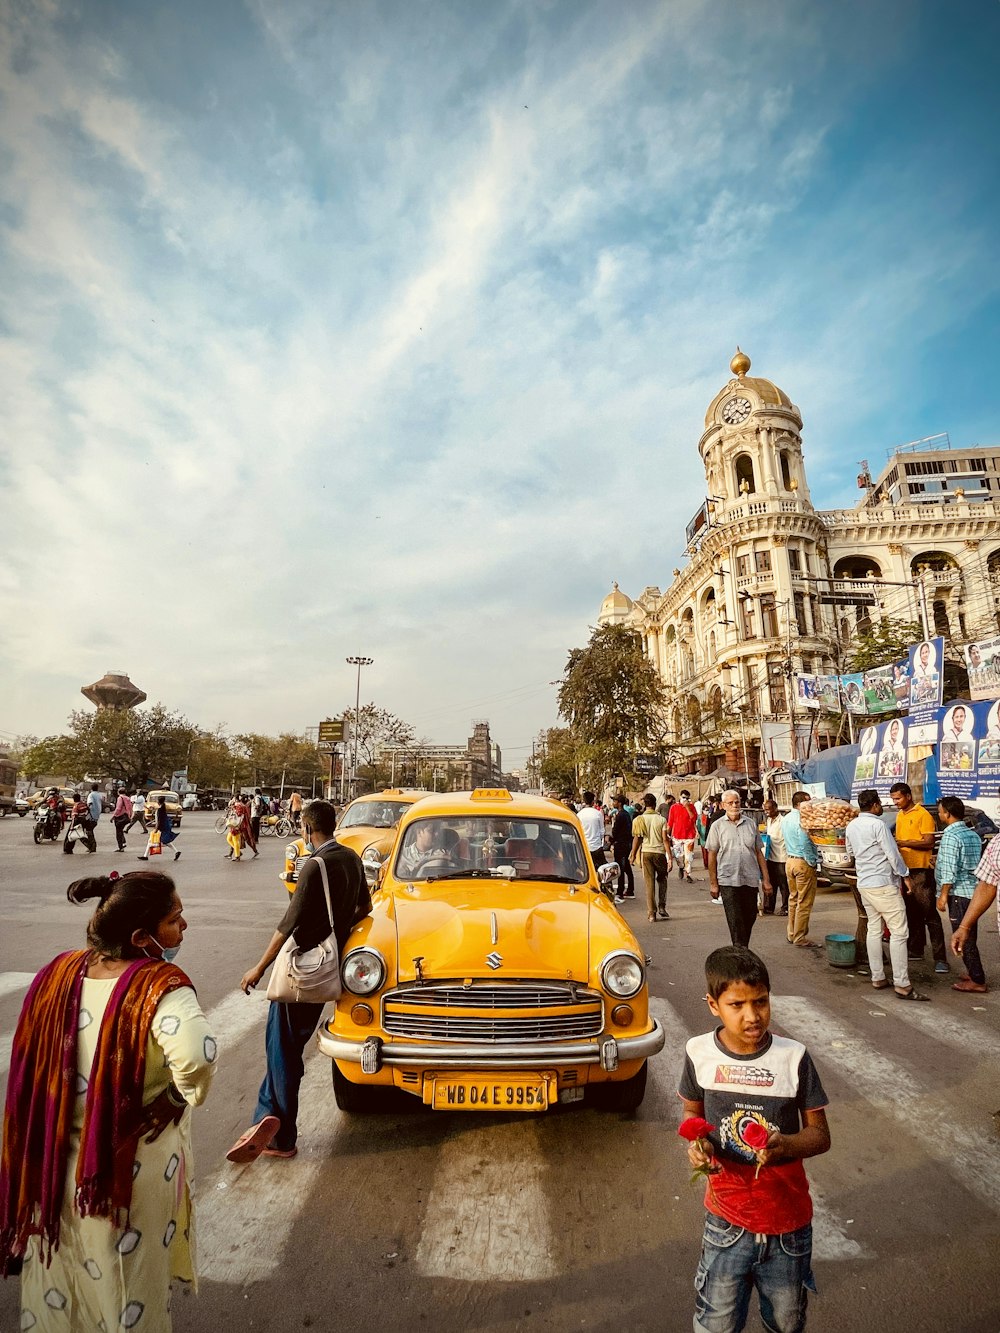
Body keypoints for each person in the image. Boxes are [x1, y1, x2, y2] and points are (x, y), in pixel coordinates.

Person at [0, 869, 217, 1327]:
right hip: (122, 1171)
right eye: (175, 919)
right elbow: (198, 1057)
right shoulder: (160, 988)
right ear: (141, 937)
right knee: (126, 1287)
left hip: (54, 1162)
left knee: (61, 1276)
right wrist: (177, 1097)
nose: (185, 926)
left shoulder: (57, 973)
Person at [678, 945, 831, 1333]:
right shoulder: (698, 1053)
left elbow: (819, 1135)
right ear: (713, 1005)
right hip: (725, 1222)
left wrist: (786, 1146)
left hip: (788, 1224)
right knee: (716, 1322)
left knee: (784, 1322)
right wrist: (700, 1148)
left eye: (761, 1001)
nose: (752, 1015)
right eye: (737, 1004)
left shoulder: (793, 1058)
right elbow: (693, 1115)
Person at [227, 800, 369, 1162]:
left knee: (283, 1051)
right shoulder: (352, 858)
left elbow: (286, 925)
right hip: (328, 965)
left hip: (302, 968)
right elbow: (364, 908)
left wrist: (257, 968)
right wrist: (335, 935)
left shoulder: (314, 864)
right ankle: (265, 1116)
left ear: (307, 829)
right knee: (285, 1047)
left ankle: (283, 1134)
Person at [845, 789, 925, 1000]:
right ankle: (902, 983)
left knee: (874, 928)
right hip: (882, 884)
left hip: (865, 883)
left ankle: (878, 977)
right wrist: (905, 875)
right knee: (899, 932)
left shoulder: (852, 825)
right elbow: (893, 854)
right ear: (874, 805)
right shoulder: (878, 825)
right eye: (880, 803)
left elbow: (850, 853)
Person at [889, 782, 947, 972]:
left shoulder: (923, 814)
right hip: (905, 871)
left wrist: (904, 843)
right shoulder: (900, 815)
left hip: (921, 871)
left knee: (929, 914)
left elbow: (928, 841)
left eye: (898, 798)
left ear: (908, 796)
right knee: (911, 912)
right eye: (893, 799)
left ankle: (940, 959)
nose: (895, 802)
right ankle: (916, 949)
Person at [935, 797, 988, 993]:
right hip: (973, 893)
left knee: (963, 936)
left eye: (940, 812)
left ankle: (977, 979)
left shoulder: (950, 837)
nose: (939, 815)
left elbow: (949, 871)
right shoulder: (972, 834)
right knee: (969, 934)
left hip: (958, 894)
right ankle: (973, 971)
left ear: (947, 814)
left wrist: (942, 895)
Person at [706, 791, 771, 948]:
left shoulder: (750, 824)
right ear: (723, 805)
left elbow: (758, 853)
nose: (735, 805)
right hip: (728, 880)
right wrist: (713, 883)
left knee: (749, 917)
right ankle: (740, 951)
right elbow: (712, 856)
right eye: (730, 803)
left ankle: (743, 948)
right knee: (735, 920)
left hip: (750, 879)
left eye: (737, 802)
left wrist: (766, 881)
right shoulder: (717, 826)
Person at [780, 793, 820, 948]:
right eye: (808, 802)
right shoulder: (802, 819)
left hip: (790, 860)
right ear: (801, 804)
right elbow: (804, 841)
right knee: (804, 902)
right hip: (802, 861)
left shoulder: (786, 818)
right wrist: (811, 860)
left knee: (793, 899)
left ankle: (791, 933)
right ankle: (800, 937)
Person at [629, 793, 673, 922]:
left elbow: (638, 838)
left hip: (646, 853)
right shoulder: (661, 820)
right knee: (662, 879)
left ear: (645, 805)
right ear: (655, 805)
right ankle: (662, 907)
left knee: (649, 884)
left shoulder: (639, 820)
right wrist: (670, 857)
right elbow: (665, 840)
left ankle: (651, 913)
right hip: (659, 853)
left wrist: (632, 854)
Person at [762, 799, 789, 916]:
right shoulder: (768, 820)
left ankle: (785, 907)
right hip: (770, 857)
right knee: (770, 883)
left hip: (782, 858)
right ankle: (768, 907)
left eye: (768, 809)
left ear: (775, 808)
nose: (766, 812)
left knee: (784, 886)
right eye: (765, 809)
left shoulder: (783, 822)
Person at [140, 793, 181, 862]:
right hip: (165, 826)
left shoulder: (159, 810)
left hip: (161, 828)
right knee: (165, 841)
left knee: (155, 842)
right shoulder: (163, 807)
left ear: (158, 802)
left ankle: (145, 856)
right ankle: (176, 852)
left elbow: (158, 820)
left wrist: (156, 829)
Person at [668, 791, 698, 883]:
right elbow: (670, 822)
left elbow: (694, 819)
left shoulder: (692, 807)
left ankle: (688, 874)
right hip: (677, 836)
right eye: (684, 797)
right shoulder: (674, 807)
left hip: (689, 836)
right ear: (680, 796)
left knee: (688, 857)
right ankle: (681, 867)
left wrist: (687, 807)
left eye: (687, 798)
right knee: (678, 856)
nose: (685, 799)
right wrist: (667, 835)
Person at [610, 794, 635, 899]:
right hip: (626, 843)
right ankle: (630, 889)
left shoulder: (620, 815)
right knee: (627, 868)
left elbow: (616, 831)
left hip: (621, 844)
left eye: (614, 801)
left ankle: (620, 892)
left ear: (619, 803)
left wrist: (611, 841)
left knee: (620, 868)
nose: (613, 803)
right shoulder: (625, 814)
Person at [577, 790, 607, 873]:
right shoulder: (597, 814)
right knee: (603, 870)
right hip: (596, 846)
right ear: (593, 801)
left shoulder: (579, 815)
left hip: (584, 847)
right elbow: (602, 831)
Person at [225, 794, 256, 861]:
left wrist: (233, 809)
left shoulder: (238, 805)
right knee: (229, 839)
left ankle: (237, 856)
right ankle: (238, 852)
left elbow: (239, 814)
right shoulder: (240, 805)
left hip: (236, 825)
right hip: (237, 825)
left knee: (235, 840)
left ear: (235, 799)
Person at [64, 790, 97, 855]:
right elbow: (88, 810)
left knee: (72, 835)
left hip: (77, 821)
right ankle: (91, 846)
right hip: (85, 821)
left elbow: (74, 817)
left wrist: (71, 827)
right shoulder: (83, 804)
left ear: (74, 799)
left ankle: (68, 849)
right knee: (82, 835)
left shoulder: (76, 806)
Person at [111, 786, 133, 852]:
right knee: (120, 830)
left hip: (120, 816)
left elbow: (118, 808)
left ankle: (121, 847)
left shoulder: (120, 798)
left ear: (118, 792)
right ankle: (123, 843)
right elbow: (130, 808)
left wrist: (113, 816)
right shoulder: (128, 798)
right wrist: (130, 815)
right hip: (126, 816)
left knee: (118, 832)